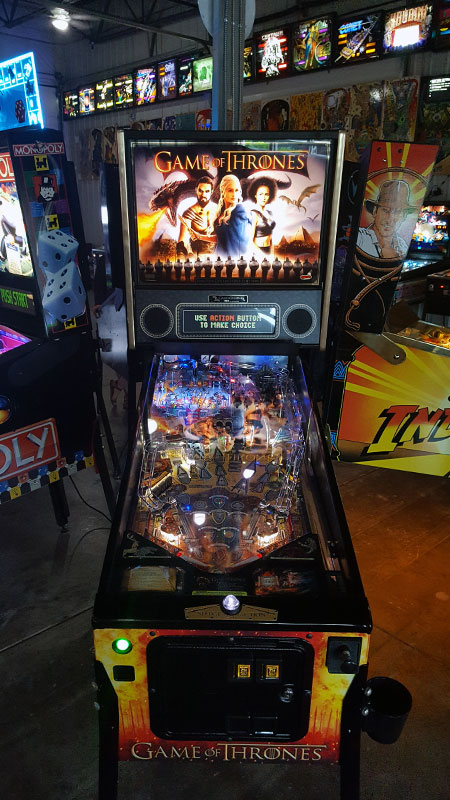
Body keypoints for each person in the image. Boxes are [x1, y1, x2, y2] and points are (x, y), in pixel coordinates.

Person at [357, 179, 417, 259]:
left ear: (404, 216)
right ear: (375, 211)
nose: (389, 219)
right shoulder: (359, 238)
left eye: (397, 212)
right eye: (385, 210)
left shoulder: (402, 246)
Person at [177, 176, 218, 257]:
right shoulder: (189, 213)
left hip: (220, 255)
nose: (203, 194)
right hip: (199, 256)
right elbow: (183, 239)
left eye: (207, 191)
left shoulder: (218, 209)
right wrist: (181, 254)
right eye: (200, 191)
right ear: (196, 190)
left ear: (211, 191)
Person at [214, 174, 253, 258]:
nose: (234, 194)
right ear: (223, 191)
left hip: (233, 259)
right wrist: (200, 236)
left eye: (237, 190)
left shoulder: (240, 210)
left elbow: (242, 243)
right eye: (230, 190)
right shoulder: (220, 213)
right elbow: (221, 237)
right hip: (219, 257)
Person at [248, 176, 277, 256]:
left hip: (269, 250)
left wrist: (272, 255)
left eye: (266, 194)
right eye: (260, 194)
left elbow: (270, 237)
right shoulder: (254, 214)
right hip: (258, 251)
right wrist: (262, 256)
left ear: (269, 196)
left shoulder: (270, 213)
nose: (263, 197)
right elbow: (250, 241)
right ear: (255, 195)